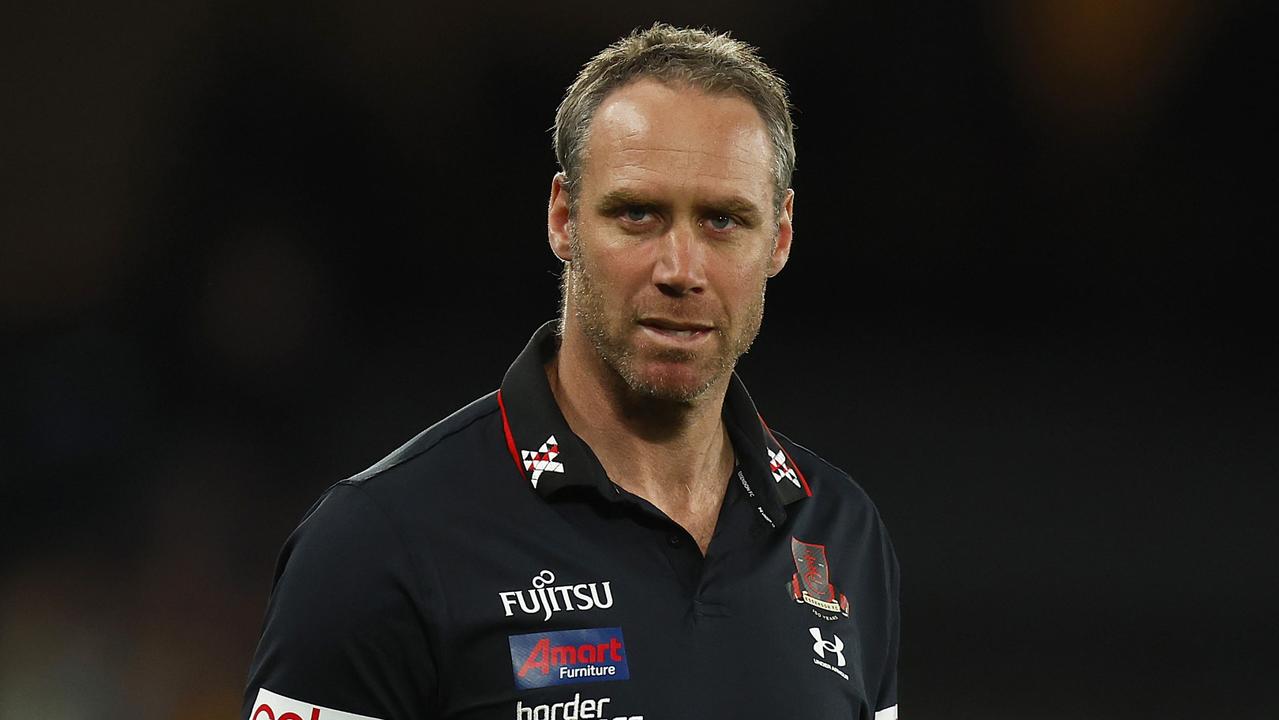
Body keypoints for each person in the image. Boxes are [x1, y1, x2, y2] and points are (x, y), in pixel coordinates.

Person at [243, 23, 899, 720]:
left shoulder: (842, 533)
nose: (681, 270)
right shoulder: (379, 542)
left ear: (780, 237)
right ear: (563, 219)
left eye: (723, 221)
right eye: (637, 214)